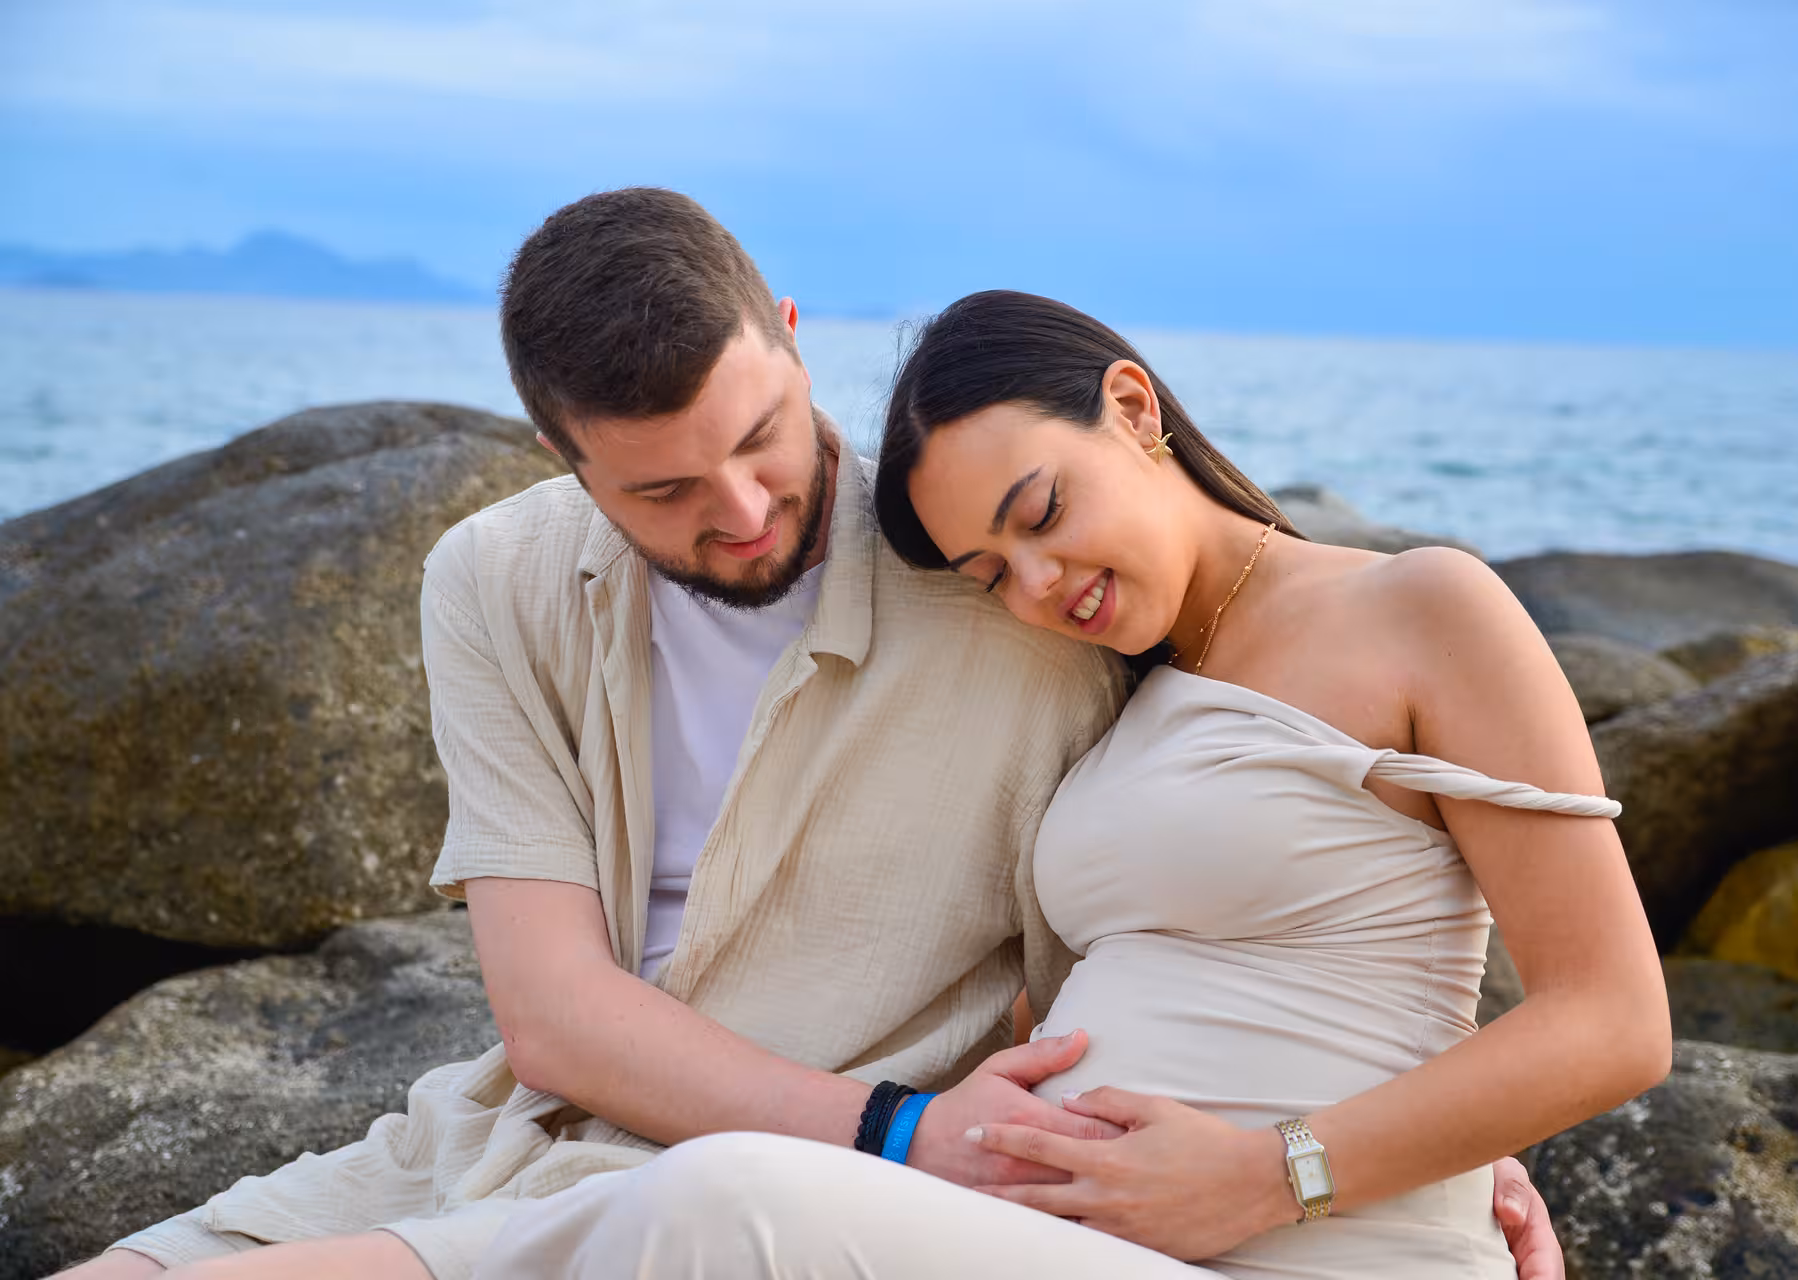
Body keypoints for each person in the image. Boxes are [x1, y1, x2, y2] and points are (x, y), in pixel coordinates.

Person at [63, 192, 1566, 1280]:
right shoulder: (498, 579)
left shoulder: (992, 570)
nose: (741, 509)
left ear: (791, 338)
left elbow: (1339, 840)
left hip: (829, 1196)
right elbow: (554, 1020)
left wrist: (1407, 1152)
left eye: (761, 437)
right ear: (558, 459)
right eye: (661, 492)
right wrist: (912, 1132)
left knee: (700, 1213)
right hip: (549, 1135)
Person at [468, 290, 1670, 1278]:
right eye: (990, 573)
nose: (1041, 584)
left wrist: (1284, 1167)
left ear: (1133, 405)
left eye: (1041, 510)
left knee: (712, 1205)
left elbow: (1612, 1019)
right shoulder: (1120, 695)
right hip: (1075, 1238)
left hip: (1306, 1247)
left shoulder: (1420, 606)